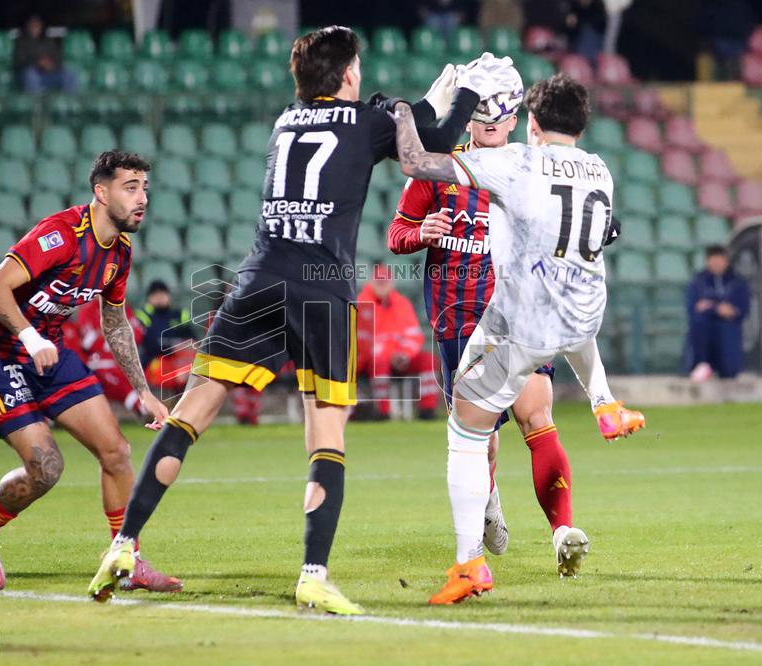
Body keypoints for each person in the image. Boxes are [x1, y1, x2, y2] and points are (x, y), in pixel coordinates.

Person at [89, 26, 513, 613]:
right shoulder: (366, 120)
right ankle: (313, 574)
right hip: (322, 290)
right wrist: (461, 95)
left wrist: (419, 104)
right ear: (349, 73)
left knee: (189, 414)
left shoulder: (286, 121)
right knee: (326, 434)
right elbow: (433, 145)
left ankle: (123, 545)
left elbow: (376, 128)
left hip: (257, 278)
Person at [389, 72, 646, 603]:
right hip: (534, 312)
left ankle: (473, 562)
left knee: (475, 430)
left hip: (511, 318)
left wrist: (411, 111)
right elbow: (399, 230)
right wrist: (419, 233)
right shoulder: (599, 169)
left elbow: (414, 159)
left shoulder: (513, 164)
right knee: (513, 422)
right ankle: (603, 402)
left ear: (525, 123)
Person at [0, 151, 179, 597]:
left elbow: (114, 322)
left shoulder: (119, 252)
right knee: (46, 468)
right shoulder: (60, 235)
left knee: (116, 451)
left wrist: (143, 390)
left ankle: (126, 559)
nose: (142, 199)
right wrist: (29, 336)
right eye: (130, 188)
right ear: (102, 192)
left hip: (48, 352)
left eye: (144, 189)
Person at [355, 264, 440, 421]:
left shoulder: (402, 303)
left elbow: (414, 335)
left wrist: (404, 354)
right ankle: (382, 412)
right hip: (370, 360)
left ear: (392, 283)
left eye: (385, 281)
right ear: (371, 282)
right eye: (379, 282)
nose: (382, 285)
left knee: (428, 360)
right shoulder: (361, 303)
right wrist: (390, 353)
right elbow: (362, 342)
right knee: (379, 360)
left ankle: (427, 410)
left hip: (400, 357)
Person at [685, 245, 750, 381]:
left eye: (720, 260)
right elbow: (694, 309)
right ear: (707, 261)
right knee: (700, 323)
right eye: (713, 261)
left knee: (729, 371)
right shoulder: (698, 282)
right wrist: (718, 308)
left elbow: (742, 309)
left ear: (726, 261)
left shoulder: (738, 282)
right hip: (705, 334)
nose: (717, 264)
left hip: (729, 336)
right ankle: (701, 365)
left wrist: (710, 306)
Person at [77, 298, 148, 416]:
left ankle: (145, 408)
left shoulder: (123, 308)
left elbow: (137, 334)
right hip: (99, 363)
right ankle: (143, 409)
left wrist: (104, 334)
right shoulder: (88, 309)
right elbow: (88, 341)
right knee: (119, 383)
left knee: (137, 379)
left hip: (124, 362)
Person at [136, 279, 198, 395]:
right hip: (154, 361)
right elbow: (151, 344)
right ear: (149, 298)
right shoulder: (143, 315)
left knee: (193, 357)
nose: (159, 297)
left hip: (178, 360)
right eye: (155, 294)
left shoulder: (179, 314)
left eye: (163, 293)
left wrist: (182, 346)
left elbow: (193, 340)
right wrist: (173, 345)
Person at [13, 15, 77, 94]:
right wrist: (38, 63)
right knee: (30, 74)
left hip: (48, 74)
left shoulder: (48, 41)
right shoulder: (21, 42)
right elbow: (19, 61)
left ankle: (69, 99)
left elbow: (58, 57)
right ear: (27, 27)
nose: (35, 28)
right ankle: (36, 101)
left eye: (37, 26)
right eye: (32, 26)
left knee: (69, 73)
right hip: (31, 74)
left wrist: (52, 65)